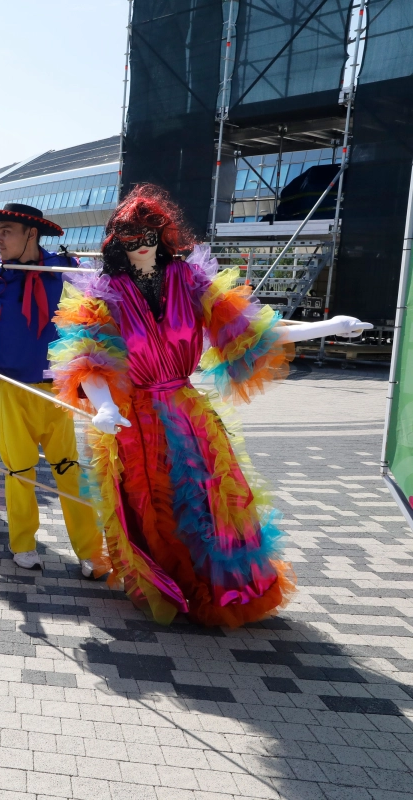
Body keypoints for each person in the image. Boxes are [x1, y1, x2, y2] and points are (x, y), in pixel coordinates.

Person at [49, 184, 370, 626]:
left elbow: (251, 331)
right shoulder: (104, 295)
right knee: (151, 507)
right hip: (135, 419)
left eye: (148, 237)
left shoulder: (190, 281)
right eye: (130, 240)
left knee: (209, 500)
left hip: (186, 412)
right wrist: (103, 406)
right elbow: (90, 363)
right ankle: (168, 581)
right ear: (116, 244)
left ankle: (222, 587)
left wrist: (327, 326)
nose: (141, 248)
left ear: (163, 237)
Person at [0, 203, 101, 577]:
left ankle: (90, 550)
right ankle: (23, 544)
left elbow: (95, 320)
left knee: (69, 470)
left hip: (59, 390)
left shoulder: (66, 272)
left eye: (6, 231)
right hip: (13, 388)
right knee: (19, 470)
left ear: (31, 233)